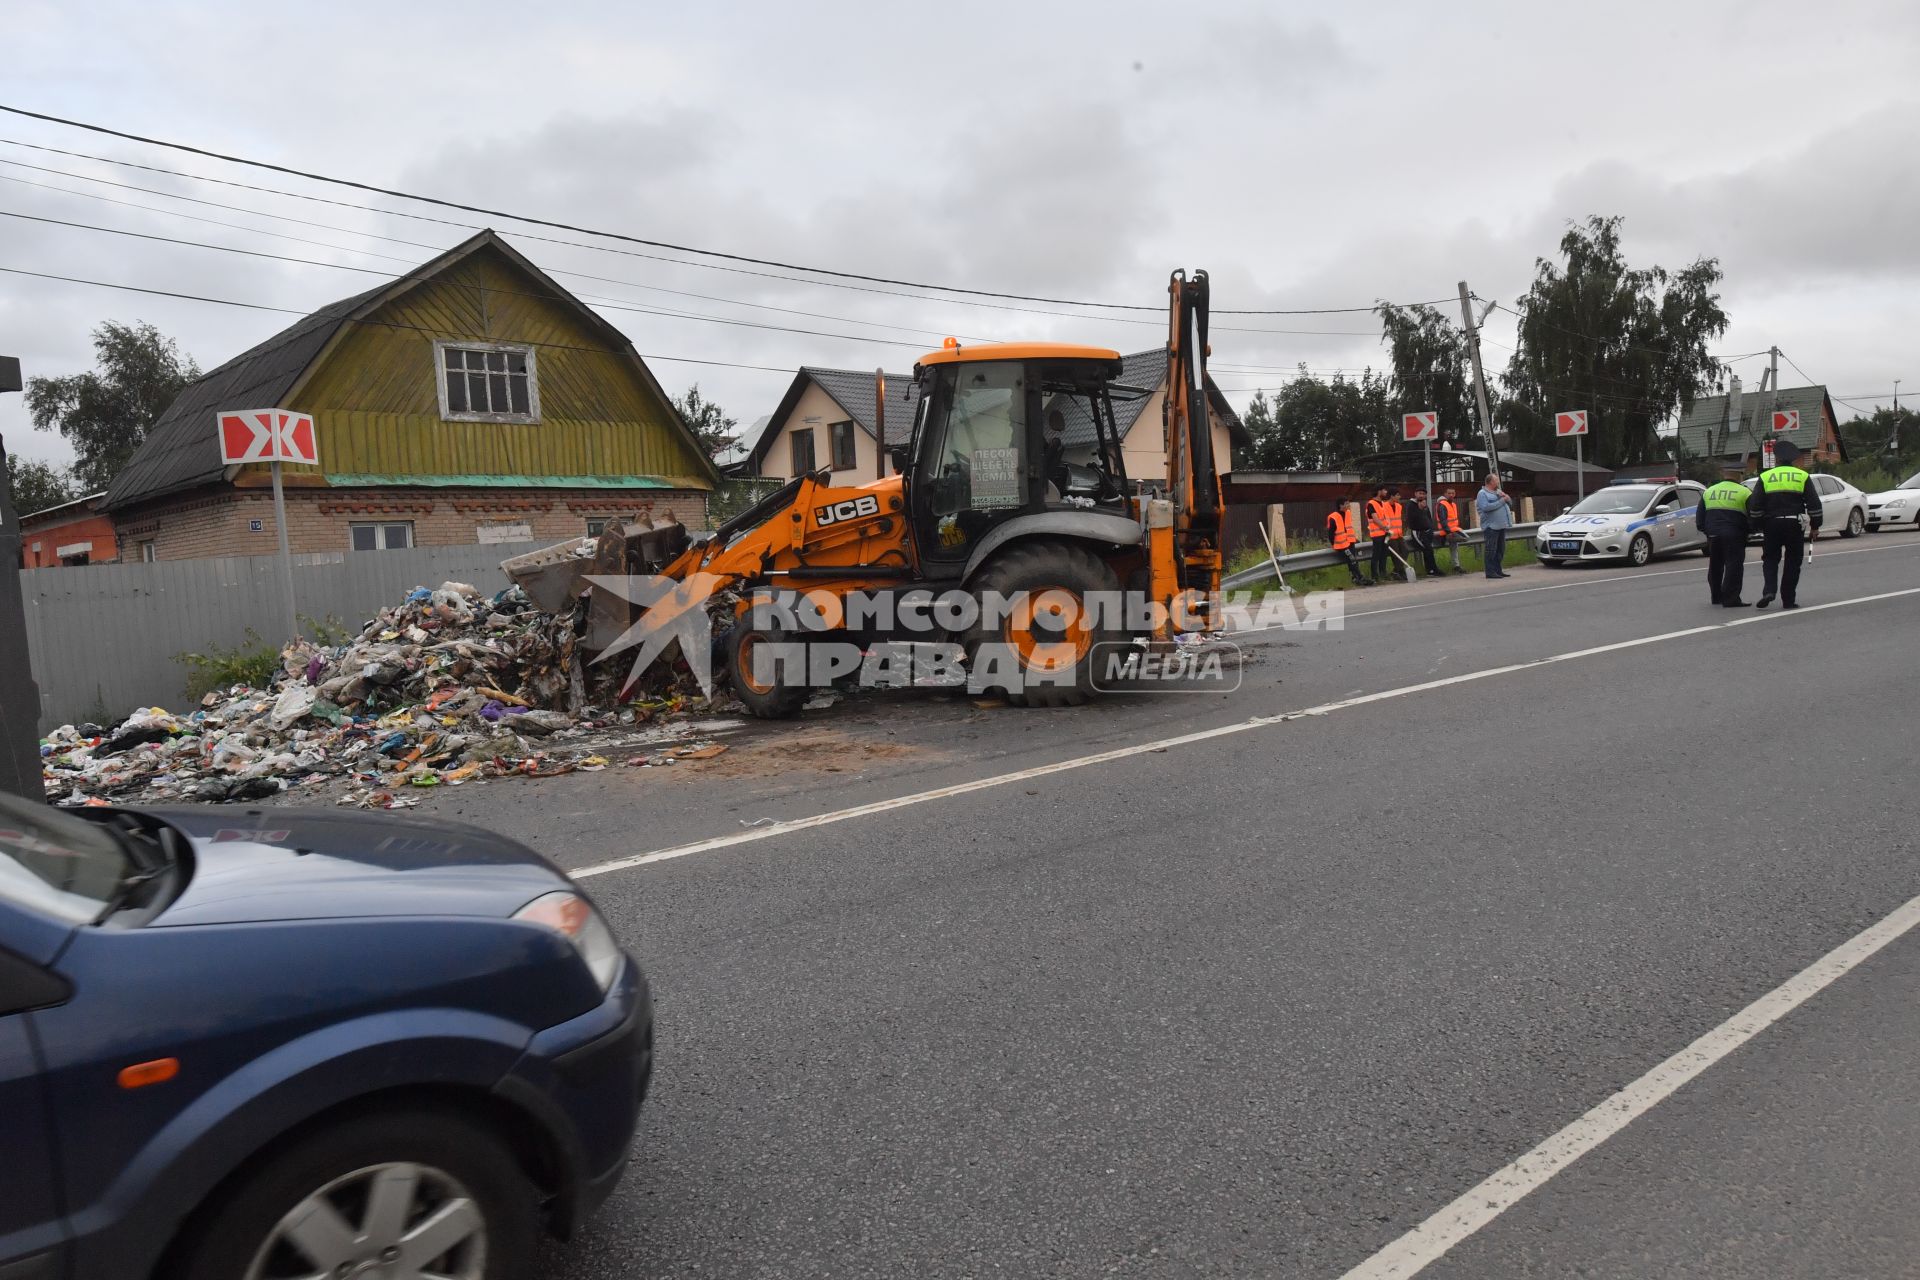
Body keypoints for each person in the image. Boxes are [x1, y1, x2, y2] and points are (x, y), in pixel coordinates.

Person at [1747, 439, 1822, 609]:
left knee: (1770, 559)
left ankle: (1769, 591)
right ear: (1794, 459)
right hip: (1794, 524)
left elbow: (1755, 504)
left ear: (1777, 458)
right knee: (1793, 561)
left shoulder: (1765, 476)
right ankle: (1788, 599)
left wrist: (1757, 525)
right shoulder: (1802, 476)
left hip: (1772, 524)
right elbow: (1814, 503)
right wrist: (1815, 526)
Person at [1695, 473, 1753, 607]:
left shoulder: (1709, 491)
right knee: (1734, 565)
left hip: (1713, 534)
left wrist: (1707, 531)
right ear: (1739, 476)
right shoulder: (1744, 492)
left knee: (1715, 566)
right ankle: (1730, 598)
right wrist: (1749, 531)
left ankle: (1716, 597)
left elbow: (1700, 517)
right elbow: (1753, 514)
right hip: (1734, 534)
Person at [1474, 474, 1515, 578]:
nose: (1498, 482)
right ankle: (1490, 572)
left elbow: (1510, 503)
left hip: (1501, 525)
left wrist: (1507, 497)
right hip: (1491, 526)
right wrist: (1502, 501)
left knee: (1500, 549)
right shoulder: (1482, 493)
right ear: (1490, 482)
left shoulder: (1498, 492)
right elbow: (1486, 507)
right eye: (1496, 480)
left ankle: (1498, 570)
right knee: (1491, 549)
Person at [1326, 501, 1372, 586]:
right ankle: (1361, 577)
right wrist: (1334, 544)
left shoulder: (1348, 513)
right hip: (1341, 545)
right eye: (1346, 503)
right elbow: (1330, 533)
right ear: (1341, 505)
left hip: (1350, 542)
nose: (1348, 505)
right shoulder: (1333, 517)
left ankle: (1355, 578)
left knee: (1353, 560)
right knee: (1352, 559)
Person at [1405, 488, 1444, 577]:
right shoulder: (1411, 505)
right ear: (1415, 494)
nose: (1421, 495)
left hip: (1427, 531)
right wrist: (1420, 509)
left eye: (1423, 494)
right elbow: (1411, 519)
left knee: (1429, 550)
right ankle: (1433, 569)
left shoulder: (1424, 504)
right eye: (1420, 493)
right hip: (1418, 532)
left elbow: (1428, 517)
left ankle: (1431, 570)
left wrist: (1430, 528)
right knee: (1428, 549)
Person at [1364, 485, 1396, 584]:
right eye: (1384, 490)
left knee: (1384, 555)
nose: (1386, 492)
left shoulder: (1382, 503)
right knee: (1376, 555)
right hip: (1377, 534)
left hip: (1385, 533)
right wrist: (1385, 527)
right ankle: (1375, 576)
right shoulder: (1371, 504)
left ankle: (1383, 574)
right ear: (1379, 491)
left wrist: (1388, 527)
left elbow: (1386, 517)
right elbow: (1375, 518)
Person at [1434, 487, 1465, 572]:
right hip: (1446, 532)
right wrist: (1448, 532)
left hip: (1453, 530)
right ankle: (1456, 566)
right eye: (1449, 493)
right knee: (1454, 547)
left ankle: (1456, 566)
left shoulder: (1453, 504)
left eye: (1453, 493)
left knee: (1455, 547)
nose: (1451, 495)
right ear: (1445, 494)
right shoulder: (1442, 504)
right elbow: (1443, 519)